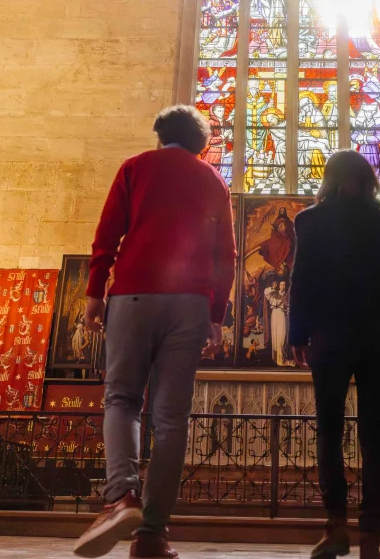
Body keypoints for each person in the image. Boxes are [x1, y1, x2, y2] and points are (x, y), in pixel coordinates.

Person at [74, 105, 236, 559]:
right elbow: (228, 254)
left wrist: (94, 291)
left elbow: (107, 234)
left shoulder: (135, 167)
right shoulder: (212, 180)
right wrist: (216, 314)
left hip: (133, 295)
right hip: (189, 304)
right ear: (202, 142)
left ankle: (121, 497)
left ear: (159, 134)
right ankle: (152, 535)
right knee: (171, 417)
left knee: (123, 399)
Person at [289, 150, 380, 559]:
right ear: (370, 180)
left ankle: (335, 529)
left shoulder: (310, 220)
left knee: (330, 430)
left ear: (328, 180)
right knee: (374, 433)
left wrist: (297, 335)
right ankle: (371, 540)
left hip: (329, 336)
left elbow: (302, 279)